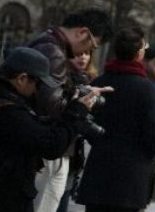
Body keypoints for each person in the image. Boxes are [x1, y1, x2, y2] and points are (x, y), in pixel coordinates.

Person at [0, 47, 97, 212]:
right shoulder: (8, 111)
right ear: (22, 79)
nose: (38, 90)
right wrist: (76, 112)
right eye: (38, 83)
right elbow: (52, 146)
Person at [26, 8, 114, 212]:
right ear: (83, 32)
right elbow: (51, 106)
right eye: (91, 45)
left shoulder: (46, 43)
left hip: (40, 144)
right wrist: (81, 103)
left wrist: (77, 91)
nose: (85, 53)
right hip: (45, 148)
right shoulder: (54, 52)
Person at [75, 28, 155, 212]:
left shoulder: (99, 82)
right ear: (139, 53)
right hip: (131, 175)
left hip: (99, 169)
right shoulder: (146, 88)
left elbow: (85, 123)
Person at [57, 50, 96, 212]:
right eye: (79, 53)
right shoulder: (60, 77)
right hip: (59, 148)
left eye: (87, 53)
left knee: (63, 200)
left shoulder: (90, 80)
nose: (83, 57)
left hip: (74, 153)